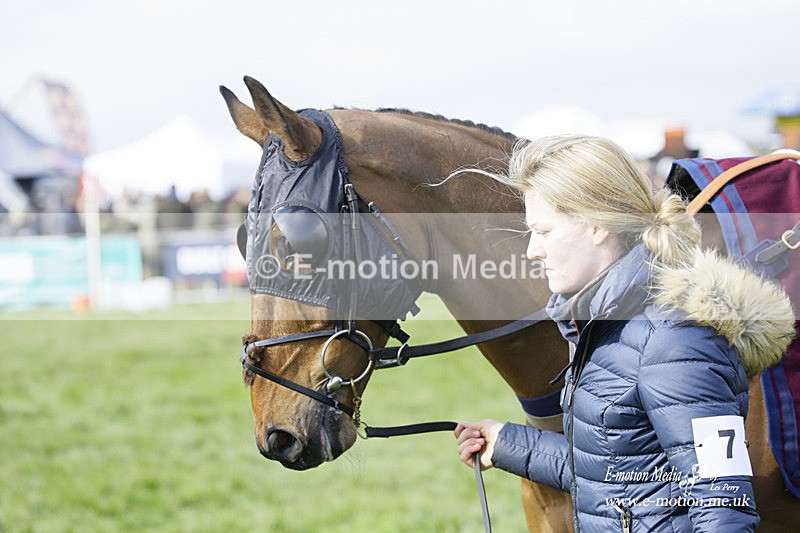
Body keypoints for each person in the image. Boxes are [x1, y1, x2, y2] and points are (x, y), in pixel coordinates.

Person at [454, 135, 795, 532]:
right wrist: (508, 443)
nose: (533, 250)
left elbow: (723, 507)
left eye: (543, 231)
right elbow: (616, 472)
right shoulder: (607, 327)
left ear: (596, 224)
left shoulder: (675, 341)